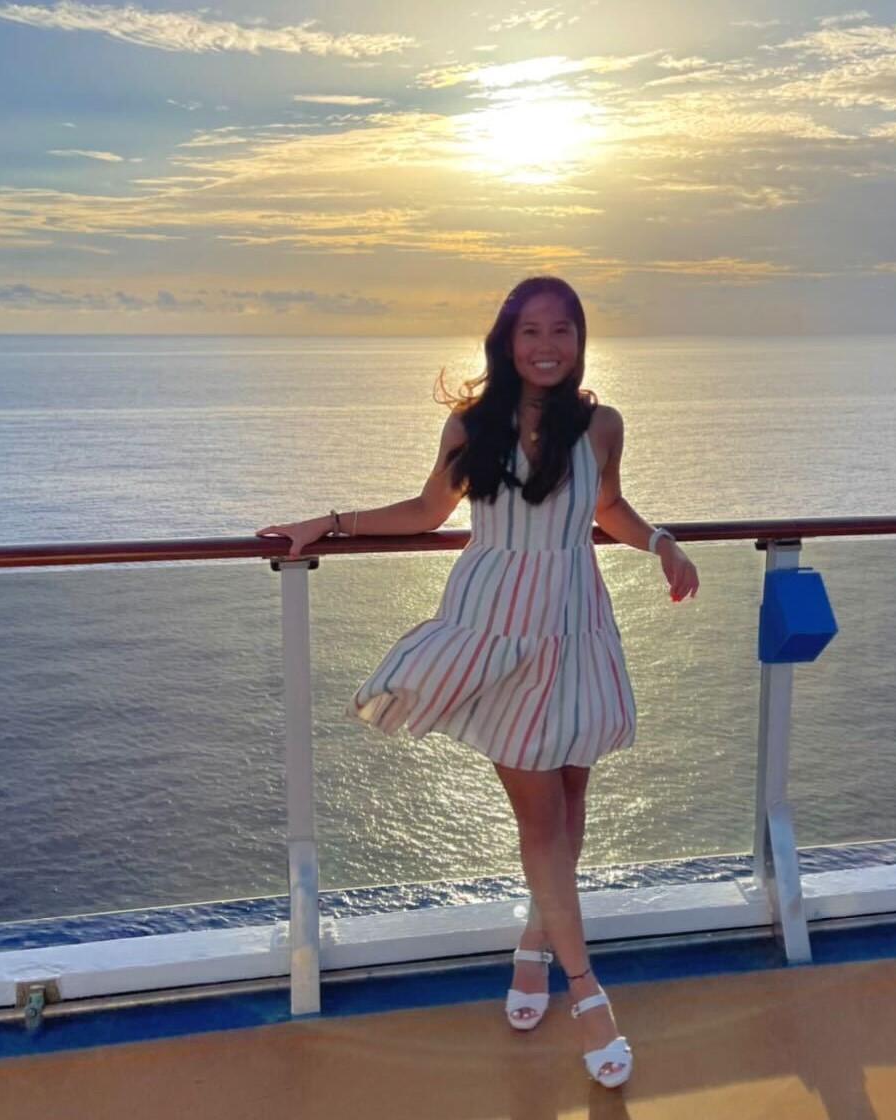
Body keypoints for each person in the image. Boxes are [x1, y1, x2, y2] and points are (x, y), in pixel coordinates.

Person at [256, 275, 699, 1089]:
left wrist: (661, 541)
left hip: (577, 625)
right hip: (495, 634)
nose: (547, 345)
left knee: (570, 807)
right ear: (506, 339)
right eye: (531, 330)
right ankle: (587, 993)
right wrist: (330, 523)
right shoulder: (473, 425)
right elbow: (429, 511)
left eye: (561, 330)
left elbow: (609, 506)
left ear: (578, 340)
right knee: (541, 824)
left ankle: (533, 954)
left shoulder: (601, 424)